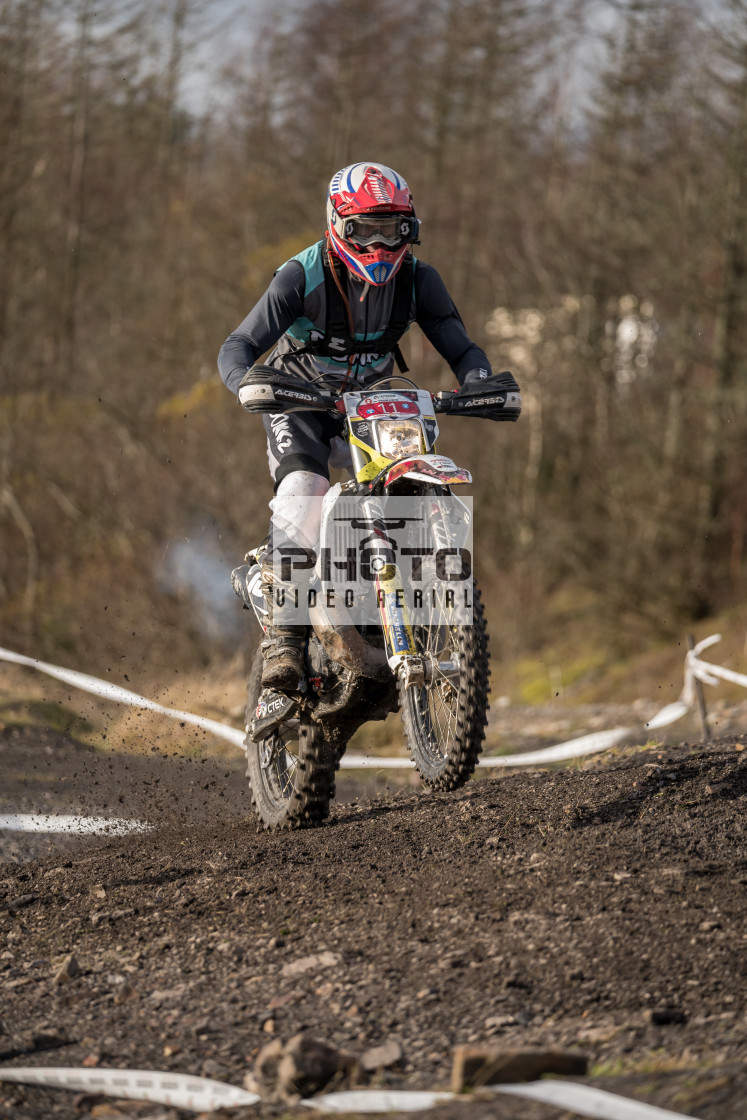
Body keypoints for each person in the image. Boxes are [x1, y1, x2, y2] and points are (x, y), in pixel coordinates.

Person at [218, 161, 492, 693]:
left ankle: (407, 599)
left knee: (402, 483)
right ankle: (285, 638)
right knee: (305, 489)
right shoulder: (302, 276)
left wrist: (478, 379)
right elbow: (237, 347)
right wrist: (247, 384)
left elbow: (461, 346)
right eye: (365, 228)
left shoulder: (419, 280)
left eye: (392, 228)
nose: (380, 241)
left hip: (373, 406)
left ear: (409, 227)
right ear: (337, 224)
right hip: (300, 401)